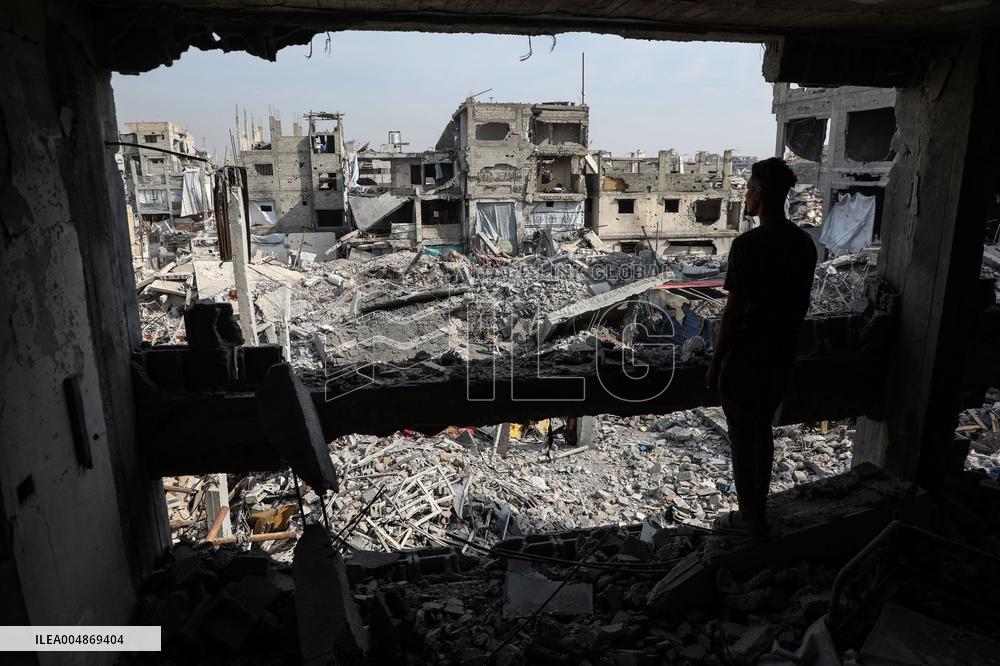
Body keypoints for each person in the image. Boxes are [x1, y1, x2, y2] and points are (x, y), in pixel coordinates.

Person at [705, 158, 817, 533]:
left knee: (741, 436)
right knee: (762, 432)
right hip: (782, 356)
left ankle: (749, 516)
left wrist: (716, 361)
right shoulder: (804, 244)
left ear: (759, 192)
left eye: (749, 189)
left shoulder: (747, 245)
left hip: (747, 358)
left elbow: (733, 312)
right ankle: (759, 509)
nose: (746, 196)